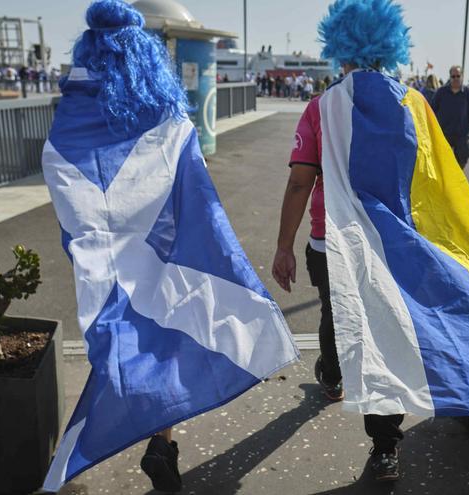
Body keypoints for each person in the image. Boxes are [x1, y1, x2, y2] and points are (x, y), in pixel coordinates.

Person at [273, 0, 469, 485]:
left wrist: (283, 245)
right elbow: (437, 183)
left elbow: (301, 181)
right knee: (387, 338)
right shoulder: (414, 104)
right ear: (389, 46)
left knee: (333, 314)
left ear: (338, 45)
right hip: (394, 250)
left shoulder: (322, 107)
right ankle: (385, 449)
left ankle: (333, 372)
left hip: (332, 245)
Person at [40, 1, 297, 492]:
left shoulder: (71, 111)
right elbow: (196, 198)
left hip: (100, 257)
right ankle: (162, 439)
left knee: (122, 338)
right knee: (169, 332)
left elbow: (59, 168)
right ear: (143, 54)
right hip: (161, 248)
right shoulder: (164, 113)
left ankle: (153, 435)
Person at [431, 65, 469, 168]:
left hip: (462, 135)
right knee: (442, 164)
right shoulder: (441, 92)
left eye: (458, 76)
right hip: (444, 134)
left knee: (462, 160)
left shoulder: (468, 92)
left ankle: (457, 179)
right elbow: (432, 110)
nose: (456, 79)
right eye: (453, 76)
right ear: (450, 77)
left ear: (462, 76)